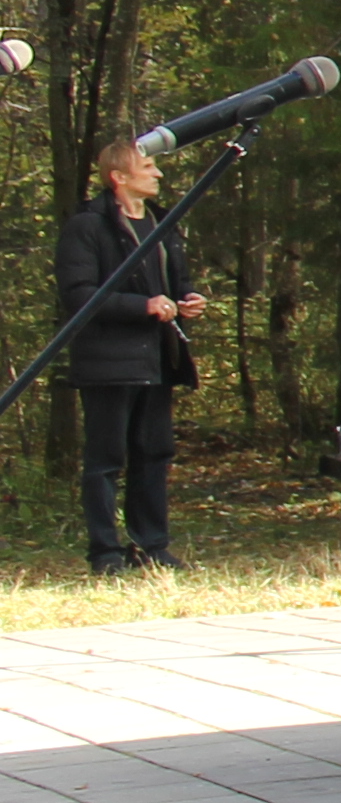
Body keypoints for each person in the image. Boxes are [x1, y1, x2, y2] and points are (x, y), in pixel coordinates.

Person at [50, 133, 202, 572]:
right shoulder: (87, 227)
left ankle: (151, 546)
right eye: (148, 167)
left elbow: (176, 281)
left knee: (154, 452)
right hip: (107, 362)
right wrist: (144, 306)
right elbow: (79, 295)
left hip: (157, 358)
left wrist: (186, 298)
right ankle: (105, 553)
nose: (158, 173)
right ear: (119, 177)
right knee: (105, 460)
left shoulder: (160, 222)